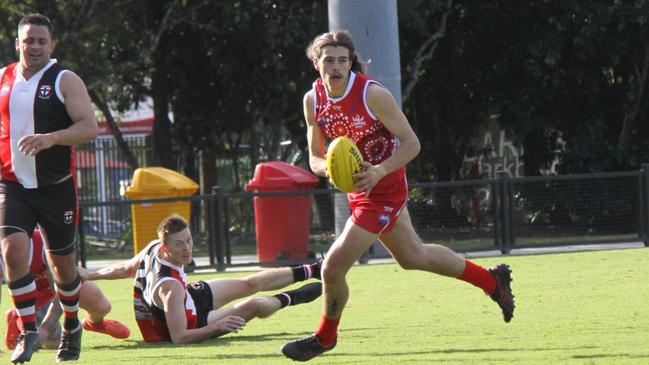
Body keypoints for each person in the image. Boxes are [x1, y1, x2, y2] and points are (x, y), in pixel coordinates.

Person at [281, 31, 516, 361]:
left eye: (342, 60)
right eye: (329, 60)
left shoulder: (371, 94)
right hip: (359, 191)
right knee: (413, 257)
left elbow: (412, 144)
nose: (336, 66)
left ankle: (325, 337)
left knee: (332, 269)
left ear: (351, 63)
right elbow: (315, 158)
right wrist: (331, 171)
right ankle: (492, 282)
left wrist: (378, 170)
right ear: (316, 62)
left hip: (385, 188)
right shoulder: (313, 100)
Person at [0, 13, 98, 363]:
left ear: (51, 45)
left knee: (63, 269)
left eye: (42, 41)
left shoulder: (64, 80)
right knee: (13, 253)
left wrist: (50, 138)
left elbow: (89, 128)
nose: (35, 46)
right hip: (13, 187)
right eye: (28, 40)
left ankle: (71, 327)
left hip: (56, 189)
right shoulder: (3, 79)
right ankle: (28, 332)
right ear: (17, 44)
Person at [79, 214, 323, 344]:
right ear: (165, 248)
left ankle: (315, 269)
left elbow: (125, 268)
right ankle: (291, 298)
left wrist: (89, 274)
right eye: (179, 244)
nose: (187, 248)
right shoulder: (170, 288)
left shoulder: (154, 246)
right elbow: (179, 337)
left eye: (189, 240)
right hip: (194, 322)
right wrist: (215, 327)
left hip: (189, 298)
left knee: (250, 283)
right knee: (256, 304)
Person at [3, 229, 130, 352]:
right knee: (52, 342)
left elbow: (62, 289)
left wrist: (45, 328)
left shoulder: (42, 241)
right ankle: (17, 316)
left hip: (57, 282)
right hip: (32, 292)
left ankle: (95, 324)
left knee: (102, 307)